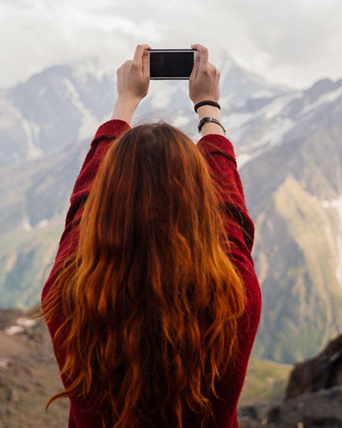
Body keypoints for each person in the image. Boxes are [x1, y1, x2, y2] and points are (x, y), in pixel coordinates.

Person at [41, 44, 261, 428]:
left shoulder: (67, 293)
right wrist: (208, 109)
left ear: (105, 203)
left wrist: (125, 103)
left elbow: (80, 208)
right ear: (201, 205)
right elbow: (232, 215)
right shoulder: (236, 297)